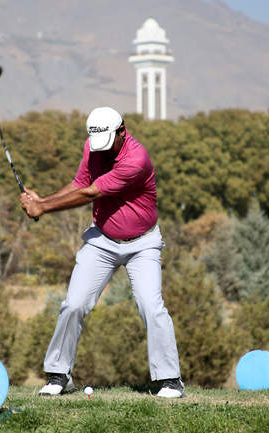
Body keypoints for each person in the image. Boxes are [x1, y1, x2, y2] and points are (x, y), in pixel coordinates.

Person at [19, 106, 184, 398]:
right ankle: (59, 374)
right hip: (102, 240)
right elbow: (79, 184)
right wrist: (42, 200)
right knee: (74, 304)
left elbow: (91, 193)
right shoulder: (93, 146)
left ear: (122, 132)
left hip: (142, 243)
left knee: (150, 305)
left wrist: (42, 208)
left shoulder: (136, 159)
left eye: (108, 142)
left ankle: (170, 380)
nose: (102, 149)